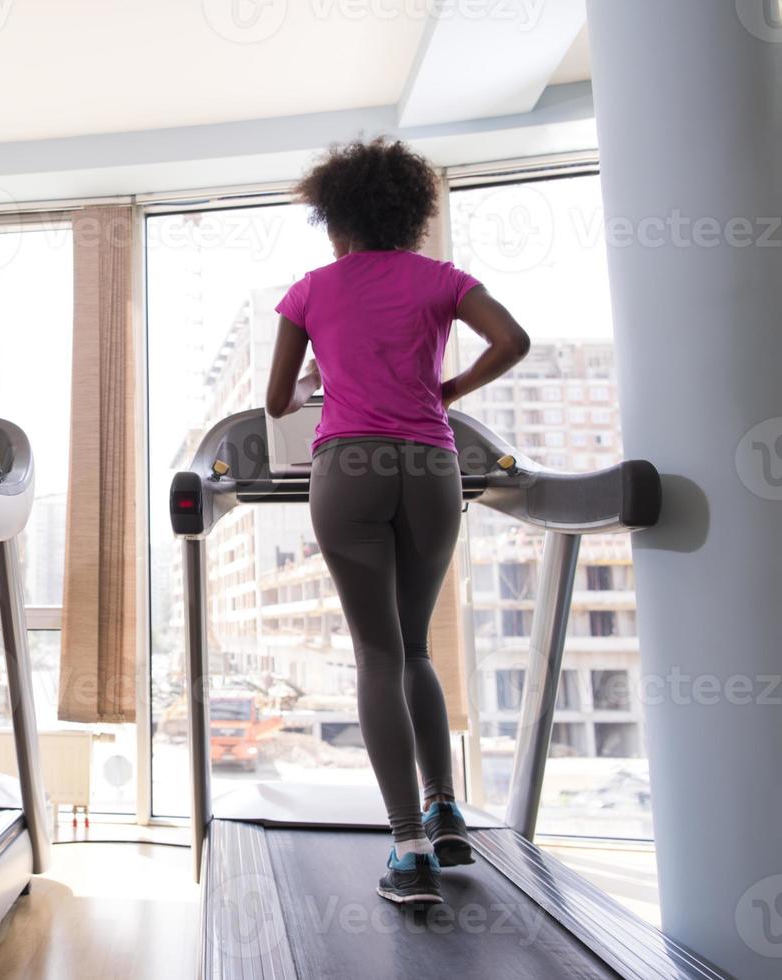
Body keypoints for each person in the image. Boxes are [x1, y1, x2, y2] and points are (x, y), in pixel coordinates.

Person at [266, 139, 530, 905]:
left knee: (375, 657)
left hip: (347, 467)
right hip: (430, 467)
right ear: (409, 216)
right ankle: (443, 807)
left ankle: (407, 849)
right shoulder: (442, 279)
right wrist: (445, 390)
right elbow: (511, 341)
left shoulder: (310, 290)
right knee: (415, 648)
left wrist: (324, 373)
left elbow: (279, 401)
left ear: (334, 218)